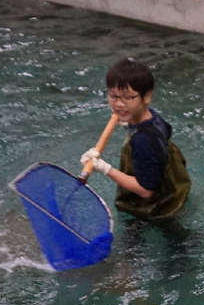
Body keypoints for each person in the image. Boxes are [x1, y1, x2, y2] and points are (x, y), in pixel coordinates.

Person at [81, 57, 191, 220]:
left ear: (147, 96)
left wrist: (104, 169)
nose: (118, 104)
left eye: (127, 97)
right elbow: (167, 130)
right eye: (113, 96)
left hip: (156, 206)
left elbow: (146, 191)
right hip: (173, 193)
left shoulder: (142, 140)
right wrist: (127, 123)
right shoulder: (152, 117)